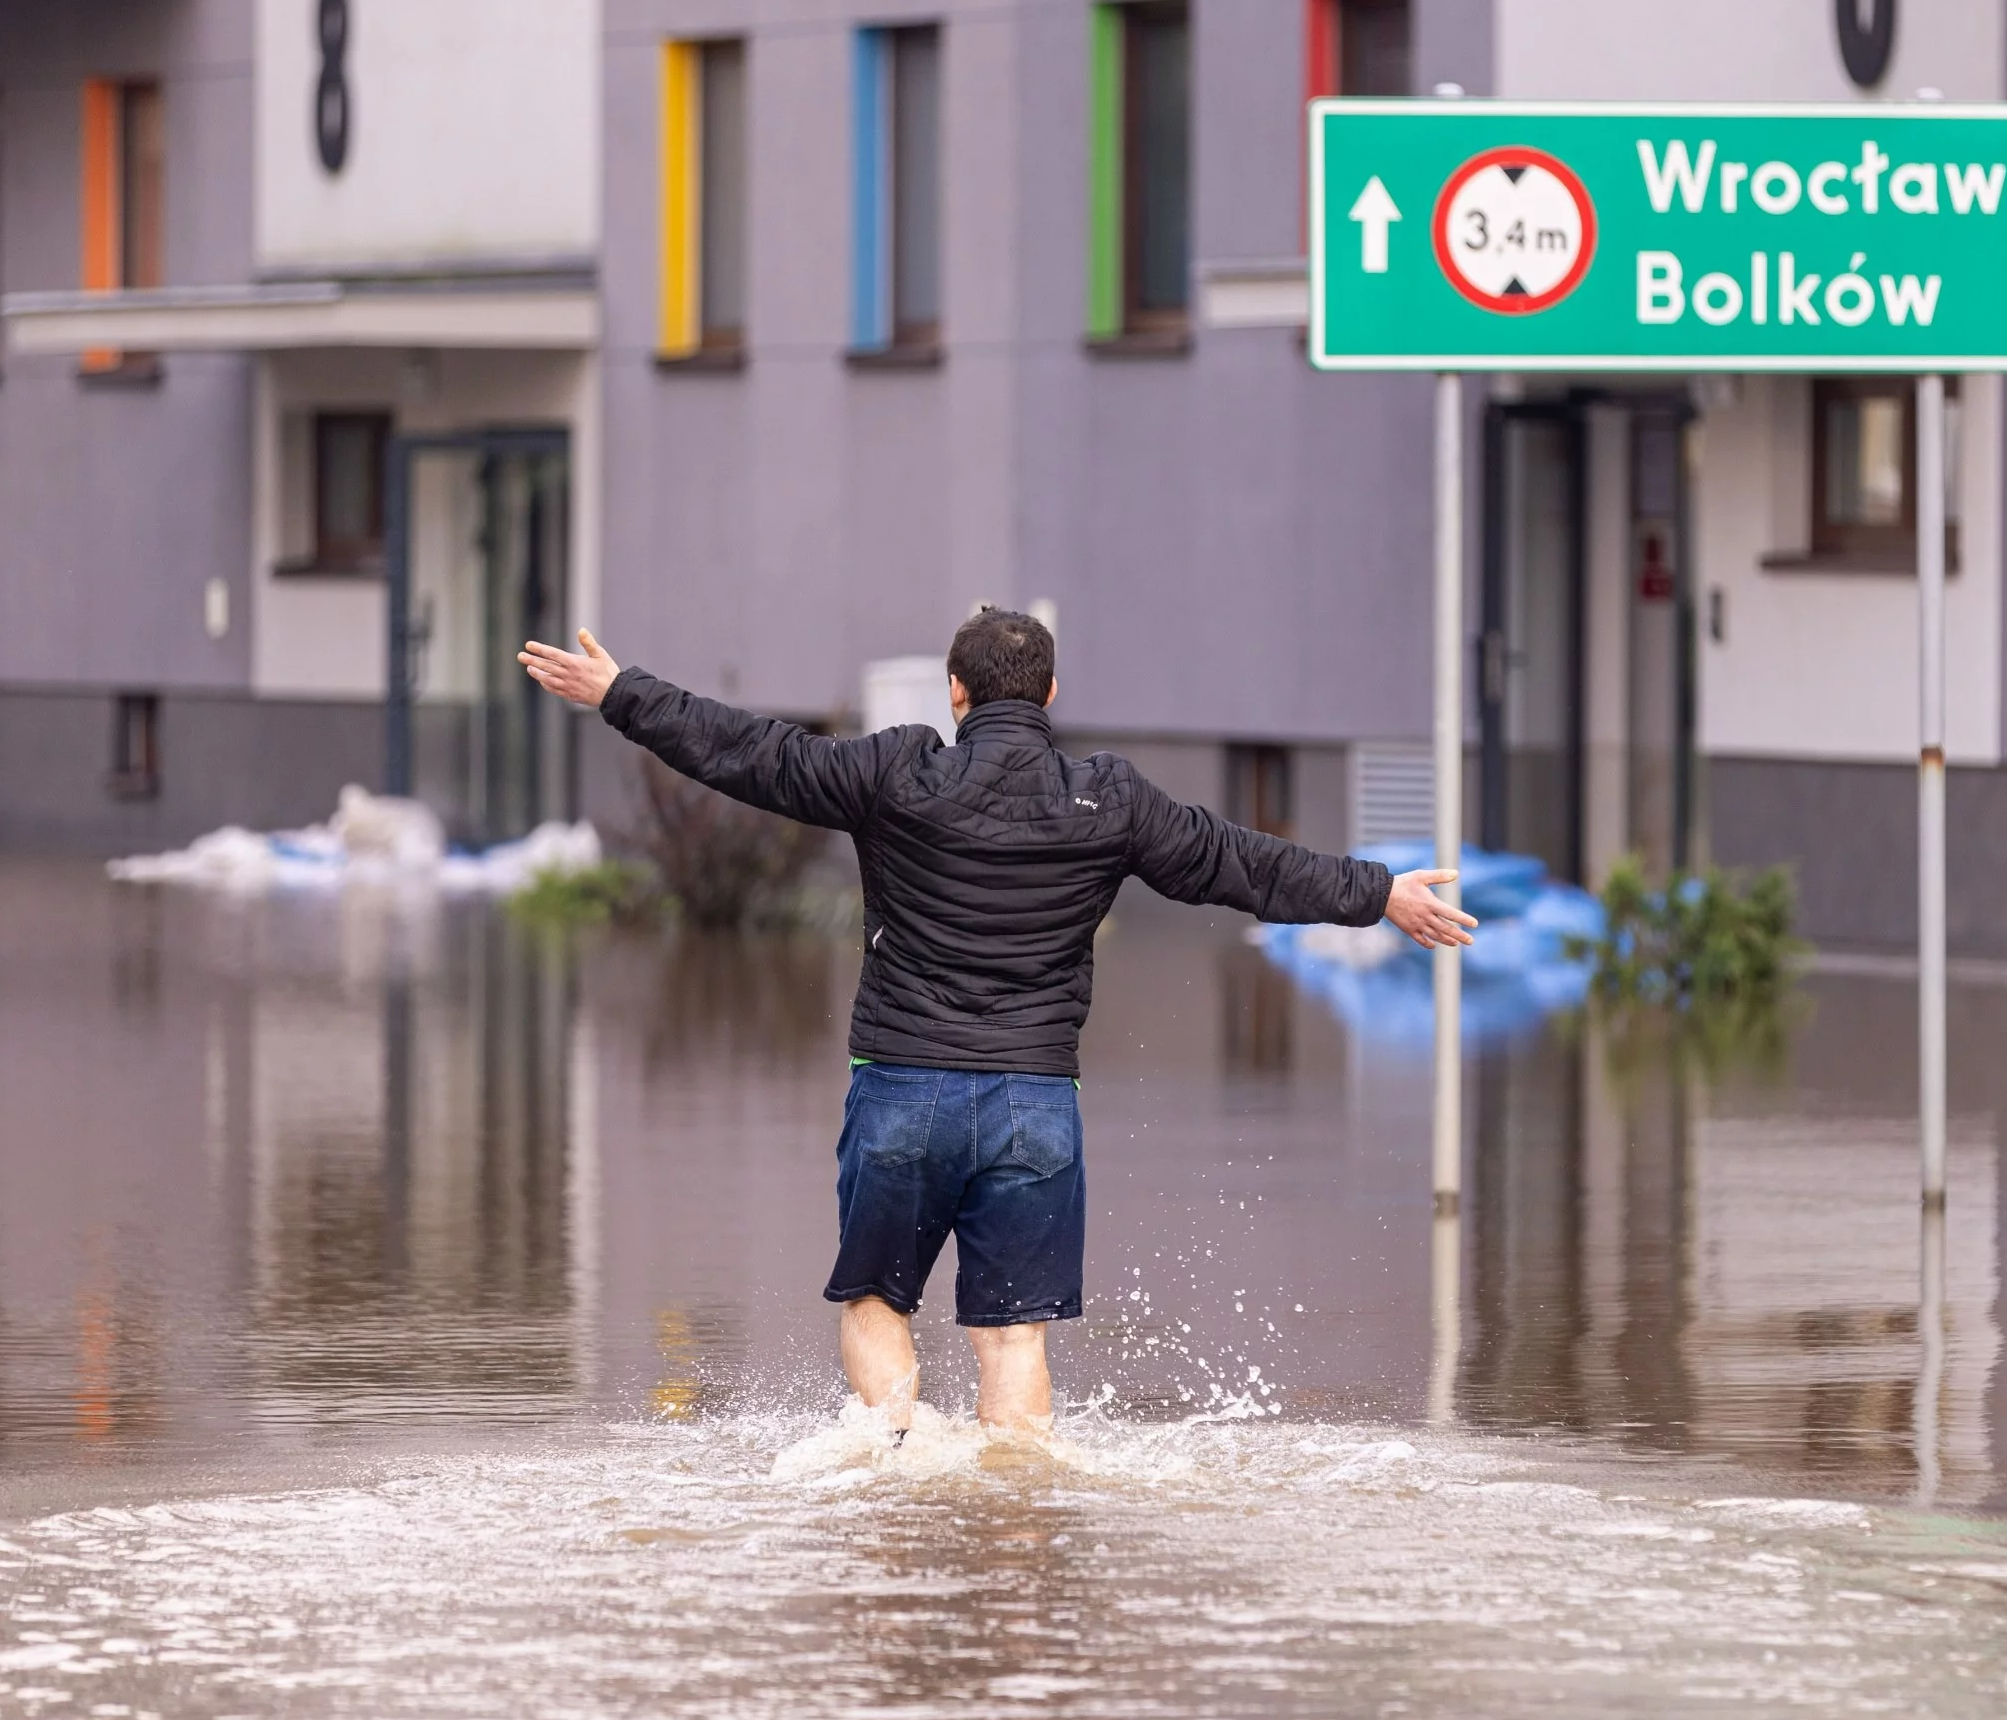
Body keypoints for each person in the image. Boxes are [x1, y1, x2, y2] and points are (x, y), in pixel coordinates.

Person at [519, 609, 1474, 1437]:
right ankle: (1015, 1533)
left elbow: (756, 755)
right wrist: (1378, 891)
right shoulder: (1108, 800)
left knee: (874, 1300)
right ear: (1051, 690)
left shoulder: (893, 772)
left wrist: (621, 693)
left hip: (900, 1093)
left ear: (955, 693)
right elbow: (1243, 864)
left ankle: (892, 1471)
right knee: (1013, 1336)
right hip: (1033, 1105)